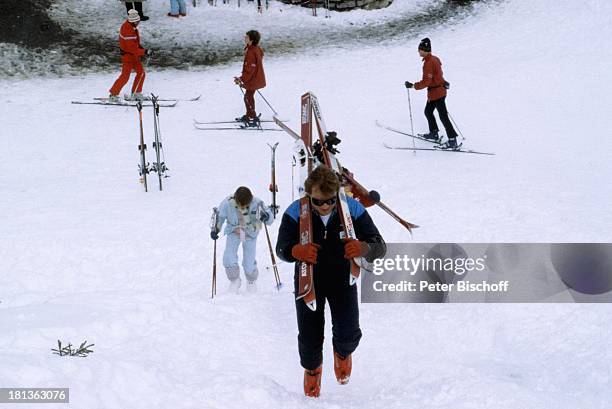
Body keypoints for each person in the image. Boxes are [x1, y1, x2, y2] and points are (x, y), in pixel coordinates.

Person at [276, 166, 386, 398]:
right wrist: (296, 250)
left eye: (329, 201)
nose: (325, 206)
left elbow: (380, 245)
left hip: (342, 278)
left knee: (349, 332)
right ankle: (312, 370)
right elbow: (281, 248)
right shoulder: (295, 211)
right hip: (309, 280)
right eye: (318, 202)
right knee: (309, 336)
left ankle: (343, 354)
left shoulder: (352, 208)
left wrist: (364, 247)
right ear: (308, 196)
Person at [211, 187, 274, 294]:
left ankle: (251, 281)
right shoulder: (227, 203)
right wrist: (215, 229)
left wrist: (266, 216)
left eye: (246, 205)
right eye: (240, 205)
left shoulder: (257, 203)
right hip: (234, 231)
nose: (243, 207)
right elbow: (220, 217)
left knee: (249, 262)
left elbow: (270, 218)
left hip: (250, 233)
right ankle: (235, 280)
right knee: (228, 257)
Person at [405, 37, 459, 149]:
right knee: (428, 111)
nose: (418, 51)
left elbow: (426, 82)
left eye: (420, 50)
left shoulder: (429, 63)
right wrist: (443, 82)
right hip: (437, 92)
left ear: (425, 50)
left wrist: (413, 86)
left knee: (443, 116)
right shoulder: (435, 59)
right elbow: (438, 75)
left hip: (437, 93)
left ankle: (452, 140)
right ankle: (434, 133)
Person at [108, 9, 151, 102]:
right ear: (134, 20)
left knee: (141, 73)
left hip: (133, 56)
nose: (139, 22)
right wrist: (144, 52)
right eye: (138, 21)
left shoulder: (131, 26)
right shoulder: (127, 30)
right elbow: (132, 48)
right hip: (128, 57)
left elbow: (135, 44)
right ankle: (113, 95)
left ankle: (136, 93)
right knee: (125, 77)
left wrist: (143, 49)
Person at [234, 30, 266, 127]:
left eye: (246, 37)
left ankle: (252, 116)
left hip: (253, 79)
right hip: (256, 77)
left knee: (248, 97)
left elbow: (249, 69)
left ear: (251, 40)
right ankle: (250, 115)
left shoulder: (251, 52)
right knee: (248, 96)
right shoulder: (256, 49)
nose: (244, 38)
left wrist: (241, 79)